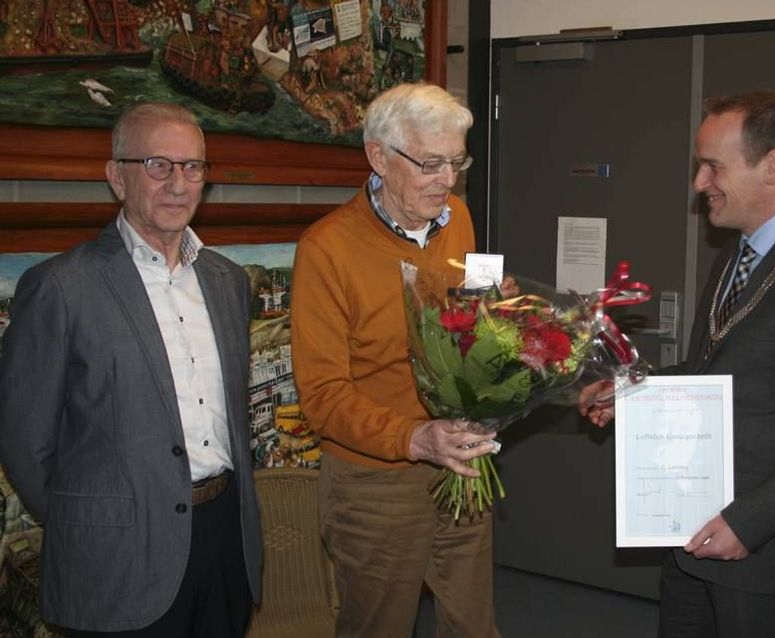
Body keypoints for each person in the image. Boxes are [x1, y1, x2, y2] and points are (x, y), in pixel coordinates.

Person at [581, 91, 775, 638]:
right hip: (693, 537)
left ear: (772, 167)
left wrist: (748, 524)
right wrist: (629, 388)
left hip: (765, 552)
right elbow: (714, 374)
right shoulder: (735, 255)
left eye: (713, 166)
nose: (700, 183)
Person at [0, 103, 262, 637]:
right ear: (117, 177)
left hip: (224, 540)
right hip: (117, 554)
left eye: (193, 167)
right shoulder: (60, 288)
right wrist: (88, 524)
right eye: (157, 164)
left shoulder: (227, 281)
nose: (178, 184)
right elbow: (23, 440)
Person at [290, 83, 501, 638]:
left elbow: (472, 320)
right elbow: (322, 396)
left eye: (457, 161)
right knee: (378, 626)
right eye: (430, 163)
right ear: (378, 157)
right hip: (375, 481)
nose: (448, 179)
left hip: (461, 461)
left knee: (472, 623)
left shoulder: (458, 217)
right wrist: (414, 437)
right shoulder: (326, 249)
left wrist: (505, 337)